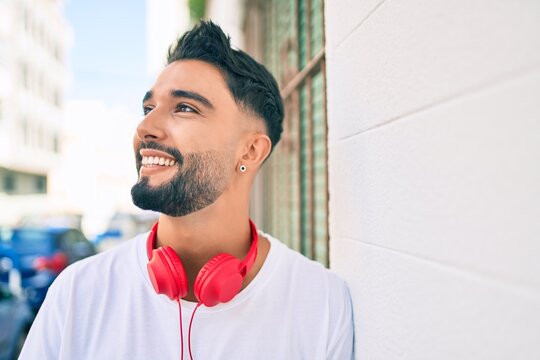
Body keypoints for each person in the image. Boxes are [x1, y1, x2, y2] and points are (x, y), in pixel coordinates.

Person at [20, 21, 354, 359]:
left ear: (250, 152)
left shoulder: (322, 303)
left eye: (184, 108)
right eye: (149, 108)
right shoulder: (78, 293)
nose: (145, 127)